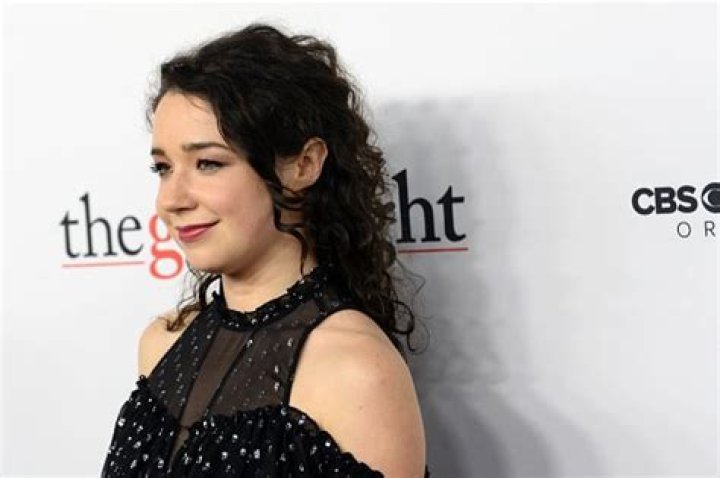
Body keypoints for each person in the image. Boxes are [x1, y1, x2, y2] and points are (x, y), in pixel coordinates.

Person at [101, 23, 430, 477]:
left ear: (304, 164)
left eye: (208, 163)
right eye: (163, 167)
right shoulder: (161, 343)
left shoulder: (355, 370)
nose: (172, 199)